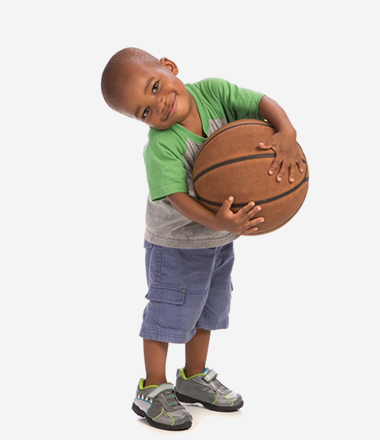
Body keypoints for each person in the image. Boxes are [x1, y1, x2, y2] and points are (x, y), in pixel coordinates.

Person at [101, 47, 304, 431]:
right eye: (144, 111)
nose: (158, 105)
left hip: (218, 240)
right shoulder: (162, 146)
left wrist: (287, 132)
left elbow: (261, 102)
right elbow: (178, 198)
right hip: (174, 244)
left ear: (170, 67)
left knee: (207, 312)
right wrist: (216, 218)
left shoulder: (212, 92)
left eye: (156, 86)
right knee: (167, 315)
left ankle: (193, 379)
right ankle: (153, 389)